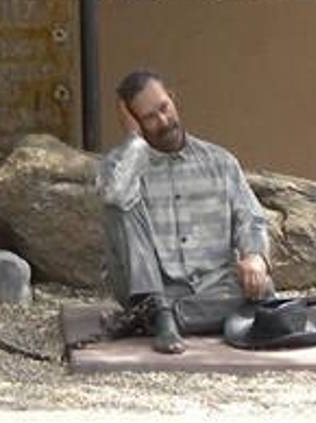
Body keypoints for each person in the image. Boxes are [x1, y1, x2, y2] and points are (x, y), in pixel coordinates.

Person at [96, 68, 273, 353]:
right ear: (134, 122)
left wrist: (254, 256)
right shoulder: (122, 164)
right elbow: (114, 197)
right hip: (152, 285)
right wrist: (135, 142)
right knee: (120, 204)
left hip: (215, 286)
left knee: (262, 289)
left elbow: (250, 218)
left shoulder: (221, 161)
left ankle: (161, 318)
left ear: (173, 98)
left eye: (164, 108)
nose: (163, 121)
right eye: (149, 117)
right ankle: (155, 309)